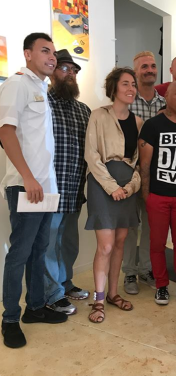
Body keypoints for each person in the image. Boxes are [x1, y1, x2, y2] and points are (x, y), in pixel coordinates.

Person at [0, 33, 68, 349]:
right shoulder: (18, 84)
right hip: (27, 185)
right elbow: (5, 131)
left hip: (46, 186)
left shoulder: (41, 87)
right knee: (20, 253)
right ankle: (10, 319)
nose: (52, 57)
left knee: (40, 250)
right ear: (27, 54)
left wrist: (42, 181)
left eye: (53, 52)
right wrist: (28, 177)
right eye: (45, 51)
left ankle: (36, 308)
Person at [84, 67, 143, 323]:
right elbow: (92, 155)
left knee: (120, 243)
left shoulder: (139, 122)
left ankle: (113, 294)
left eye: (134, 85)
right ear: (114, 88)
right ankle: (97, 300)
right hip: (102, 186)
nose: (131, 89)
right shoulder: (98, 115)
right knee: (105, 245)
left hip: (127, 188)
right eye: (126, 84)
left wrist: (130, 187)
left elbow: (140, 163)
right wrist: (112, 187)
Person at [139, 80, 176, 306]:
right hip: (158, 196)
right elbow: (145, 164)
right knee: (157, 243)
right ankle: (162, 286)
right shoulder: (152, 126)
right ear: (167, 97)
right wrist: (147, 195)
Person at [44, 49, 91, 315]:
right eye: (64, 68)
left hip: (74, 190)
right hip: (49, 189)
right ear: (52, 72)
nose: (70, 74)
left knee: (69, 242)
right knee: (49, 243)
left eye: (74, 70)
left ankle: (65, 282)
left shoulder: (84, 110)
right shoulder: (41, 103)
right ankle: (52, 294)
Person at [122, 51, 166, 295]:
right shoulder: (127, 100)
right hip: (130, 173)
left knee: (152, 226)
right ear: (135, 71)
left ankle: (147, 269)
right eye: (144, 67)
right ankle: (129, 271)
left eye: (152, 66)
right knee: (130, 225)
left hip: (157, 175)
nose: (149, 70)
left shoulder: (165, 102)